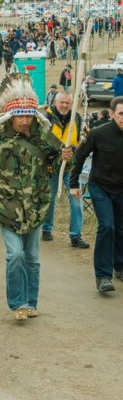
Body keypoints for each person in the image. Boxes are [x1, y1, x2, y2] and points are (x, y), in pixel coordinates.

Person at [0, 75, 73, 321]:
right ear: (11, 117)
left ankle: (31, 302)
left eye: (28, 116)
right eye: (20, 116)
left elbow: (59, 163)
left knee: (33, 259)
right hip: (7, 210)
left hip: (37, 208)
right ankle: (18, 303)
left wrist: (67, 158)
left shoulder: (44, 137)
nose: (25, 121)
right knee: (15, 255)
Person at [70, 97, 123, 293]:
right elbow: (80, 155)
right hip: (100, 186)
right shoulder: (98, 134)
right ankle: (102, 276)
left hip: (121, 188)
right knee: (107, 226)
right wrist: (74, 183)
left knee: (121, 229)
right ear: (112, 114)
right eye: (121, 114)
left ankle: (120, 266)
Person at [40, 91, 89, 248]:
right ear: (55, 102)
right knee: (50, 198)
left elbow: (82, 141)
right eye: (62, 102)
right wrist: (57, 153)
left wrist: (74, 152)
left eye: (68, 103)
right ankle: (46, 228)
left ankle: (76, 235)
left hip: (71, 167)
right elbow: (41, 142)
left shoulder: (77, 117)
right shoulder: (46, 118)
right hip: (51, 166)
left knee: (76, 199)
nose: (64, 106)